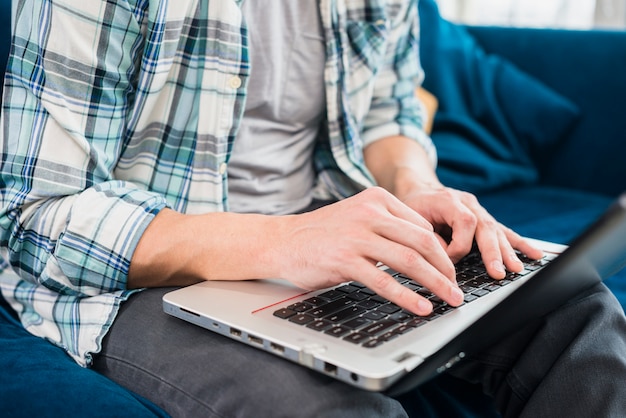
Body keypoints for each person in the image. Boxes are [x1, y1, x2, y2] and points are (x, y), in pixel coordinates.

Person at [1, 0, 625, 416]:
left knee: (573, 305)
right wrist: (287, 242)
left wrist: (412, 184)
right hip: (147, 271)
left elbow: (388, 107)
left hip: (336, 223)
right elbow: (33, 212)